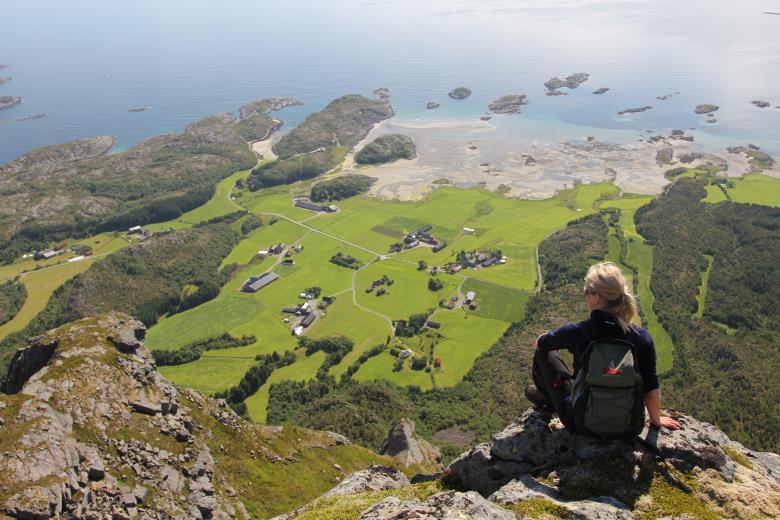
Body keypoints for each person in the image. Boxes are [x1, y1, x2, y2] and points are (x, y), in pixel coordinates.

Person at [526, 261, 681, 432]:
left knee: (545, 354)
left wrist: (546, 338)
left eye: (587, 292)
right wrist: (656, 420)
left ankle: (548, 399)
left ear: (597, 297)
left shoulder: (577, 331)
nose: (585, 296)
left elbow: (540, 344)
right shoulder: (642, 338)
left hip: (580, 423)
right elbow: (651, 387)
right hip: (629, 427)